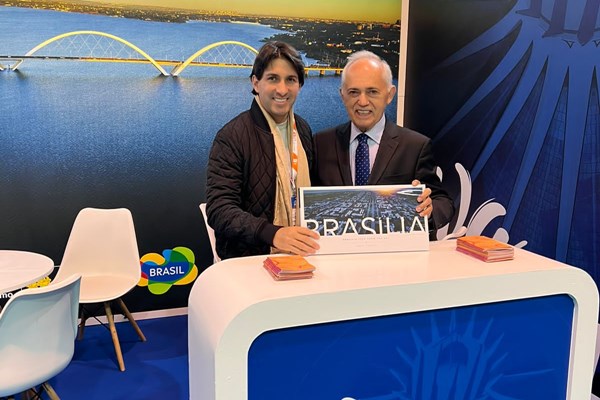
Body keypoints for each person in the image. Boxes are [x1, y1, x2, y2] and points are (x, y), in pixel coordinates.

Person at [313, 50, 455, 237]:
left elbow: (443, 202)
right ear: (342, 95)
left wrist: (429, 211)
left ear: (389, 95)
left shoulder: (415, 146)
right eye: (354, 92)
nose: (362, 102)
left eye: (372, 92)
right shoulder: (321, 143)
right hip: (336, 258)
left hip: (395, 260)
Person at [206, 41, 320, 260]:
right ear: (256, 83)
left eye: (291, 80)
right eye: (273, 78)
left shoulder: (302, 129)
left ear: (300, 86)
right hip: (251, 261)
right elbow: (219, 210)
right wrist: (272, 234)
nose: (282, 89)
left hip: (301, 255)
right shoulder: (232, 136)